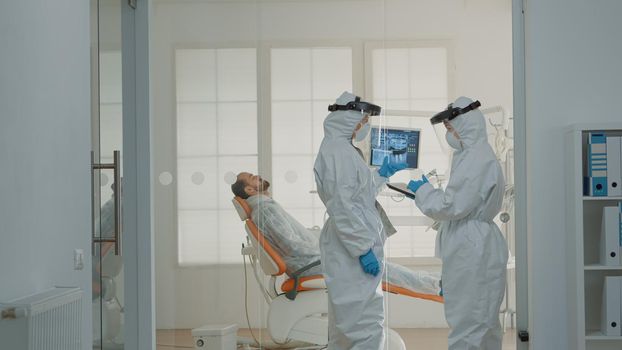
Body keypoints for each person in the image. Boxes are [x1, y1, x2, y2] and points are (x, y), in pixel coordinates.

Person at [230, 172, 441, 296]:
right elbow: (292, 245)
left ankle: (436, 283)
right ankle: (437, 286)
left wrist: (322, 237)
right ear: (249, 191)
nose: (258, 176)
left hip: (312, 260)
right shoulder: (265, 210)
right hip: (311, 264)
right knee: (381, 269)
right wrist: (329, 250)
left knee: (381, 266)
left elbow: (294, 239)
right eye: (252, 178)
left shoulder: (266, 207)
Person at [407, 96, 508, 349]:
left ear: (466, 125)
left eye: (451, 128)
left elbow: (450, 206)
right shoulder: (472, 155)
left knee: (469, 324)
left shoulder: (475, 158)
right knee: (481, 322)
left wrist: (423, 191)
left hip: (472, 247)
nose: (449, 134)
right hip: (474, 243)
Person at [313, 92, 407, 350]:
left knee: (351, 319)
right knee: (362, 320)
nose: (364, 126)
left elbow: (359, 194)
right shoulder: (337, 152)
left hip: (353, 240)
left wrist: (382, 174)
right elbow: (343, 207)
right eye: (362, 121)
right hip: (351, 246)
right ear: (348, 119)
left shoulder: (342, 149)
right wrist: (363, 249)